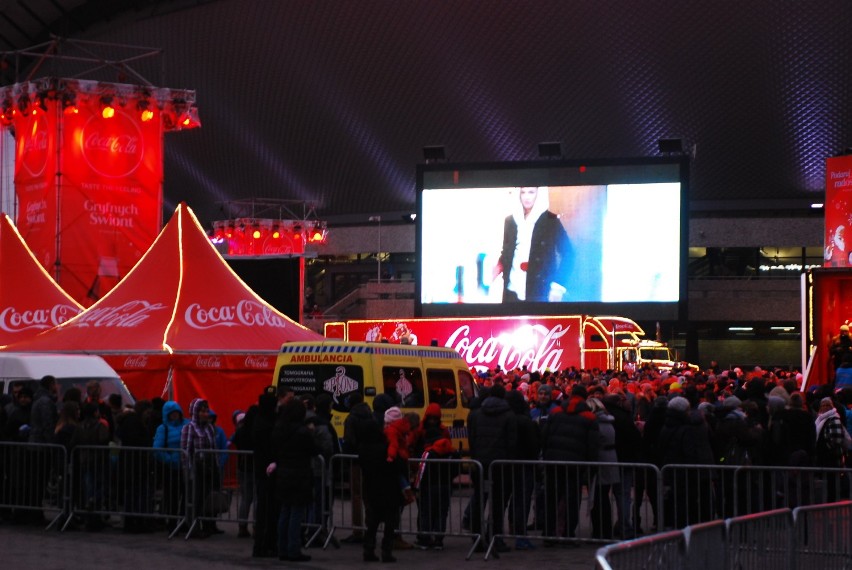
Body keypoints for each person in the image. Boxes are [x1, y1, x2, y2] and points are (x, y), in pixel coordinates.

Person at [494, 186, 573, 302]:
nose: (527, 197)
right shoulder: (510, 221)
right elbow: (506, 253)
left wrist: (558, 287)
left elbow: (569, 254)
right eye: (523, 192)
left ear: (538, 193)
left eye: (531, 192)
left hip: (538, 291)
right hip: (511, 291)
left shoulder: (550, 221)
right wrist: (494, 270)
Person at [268, 398, 318, 562]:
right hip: (299, 474)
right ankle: (293, 550)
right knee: (296, 513)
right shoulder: (303, 432)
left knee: (285, 512)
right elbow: (313, 450)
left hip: (283, 472)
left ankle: (282, 548)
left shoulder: (279, 429)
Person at [153, 401, 189, 534]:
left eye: (176, 413)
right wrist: (170, 459)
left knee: (187, 496)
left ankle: (185, 522)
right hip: (171, 467)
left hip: (186, 466)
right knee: (172, 496)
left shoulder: (187, 424)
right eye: (171, 413)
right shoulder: (163, 428)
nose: (174, 415)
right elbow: (157, 448)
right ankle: (172, 522)